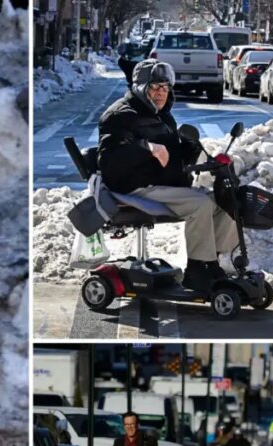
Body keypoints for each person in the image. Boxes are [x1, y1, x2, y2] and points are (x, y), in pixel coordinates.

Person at [97, 59, 239, 294]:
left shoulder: (163, 116)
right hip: (134, 187)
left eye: (165, 88)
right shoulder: (119, 115)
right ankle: (196, 270)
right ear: (141, 88)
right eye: (155, 87)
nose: (161, 93)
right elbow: (110, 162)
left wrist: (192, 150)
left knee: (223, 202)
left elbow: (171, 158)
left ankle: (212, 261)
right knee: (200, 204)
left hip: (161, 185)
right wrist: (145, 147)